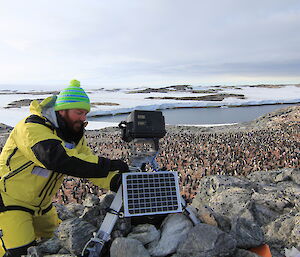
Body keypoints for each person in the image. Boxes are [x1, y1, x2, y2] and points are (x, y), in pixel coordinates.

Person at [0, 80, 128, 257]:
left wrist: (117, 181)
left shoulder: (73, 135)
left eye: (86, 113)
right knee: (18, 253)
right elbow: (54, 158)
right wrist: (109, 164)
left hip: (43, 207)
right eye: (79, 112)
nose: (84, 118)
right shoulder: (31, 128)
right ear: (62, 111)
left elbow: (87, 164)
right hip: (10, 202)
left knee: (59, 242)